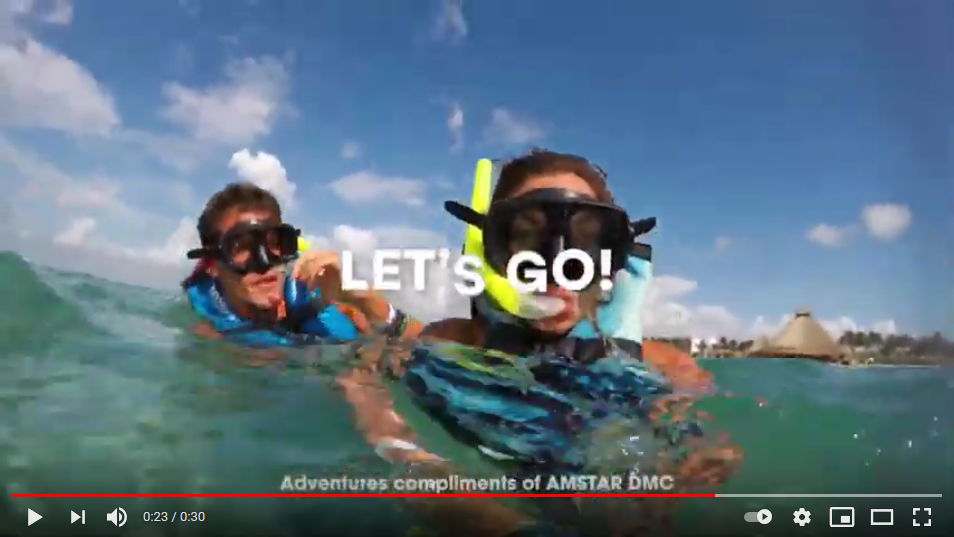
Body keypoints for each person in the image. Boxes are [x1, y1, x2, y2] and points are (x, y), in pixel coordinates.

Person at [340, 150, 739, 537]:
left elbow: (712, 456)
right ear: (494, 251)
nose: (557, 263)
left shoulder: (666, 367)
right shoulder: (455, 340)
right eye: (528, 236)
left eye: (585, 241)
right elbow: (371, 379)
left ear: (611, 256)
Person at [181, 182, 420, 346]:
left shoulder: (318, 299)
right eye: (241, 247)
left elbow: (429, 343)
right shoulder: (207, 331)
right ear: (211, 264)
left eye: (274, 242)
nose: (265, 263)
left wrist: (365, 301)